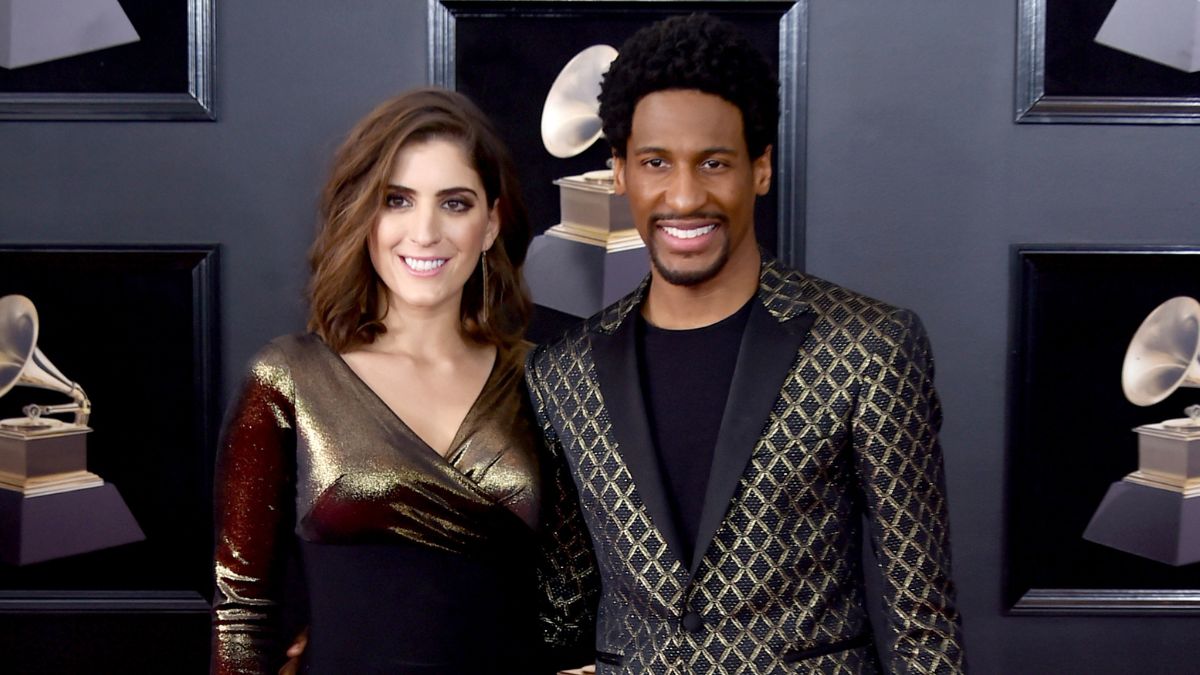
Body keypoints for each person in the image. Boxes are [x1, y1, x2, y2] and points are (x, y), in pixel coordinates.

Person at [524, 14, 966, 673]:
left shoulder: (869, 348)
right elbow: (561, 611)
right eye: (654, 163)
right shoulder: (563, 374)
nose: (684, 195)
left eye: (713, 162)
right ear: (619, 173)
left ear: (759, 169)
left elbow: (924, 625)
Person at [210, 88, 597, 674]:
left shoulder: (543, 380)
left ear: (491, 224)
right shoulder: (288, 377)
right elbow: (242, 612)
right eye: (397, 200)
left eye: (455, 204)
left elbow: (569, 614)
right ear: (363, 215)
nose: (424, 232)